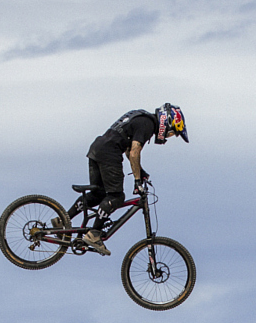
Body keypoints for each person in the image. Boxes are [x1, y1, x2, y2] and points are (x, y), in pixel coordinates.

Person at [75, 103, 188, 254]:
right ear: (166, 123)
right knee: (116, 196)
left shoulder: (142, 118)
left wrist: (140, 172)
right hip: (109, 153)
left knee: (98, 194)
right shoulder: (147, 124)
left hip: (97, 148)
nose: (170, 136)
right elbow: (134, 152)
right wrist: (137, 181)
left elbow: (129, 151)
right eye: (172, 132)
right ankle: (94, 234)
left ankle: (63, 220)